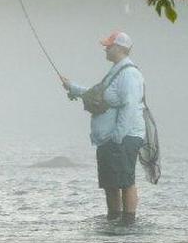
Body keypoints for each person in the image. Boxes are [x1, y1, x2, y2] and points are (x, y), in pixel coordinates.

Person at [60, 30, 146, 225]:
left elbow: (130, 106)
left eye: (108, 46)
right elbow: (98, 95)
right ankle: (113, 220)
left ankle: (128, 223)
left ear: (120, 48)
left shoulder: (130, 74)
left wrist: (118, 136)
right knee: (110, 184)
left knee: (125, 181)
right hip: (108, 139)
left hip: (124, 137)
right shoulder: (115, 71)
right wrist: (72, 88)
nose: (105, 49)